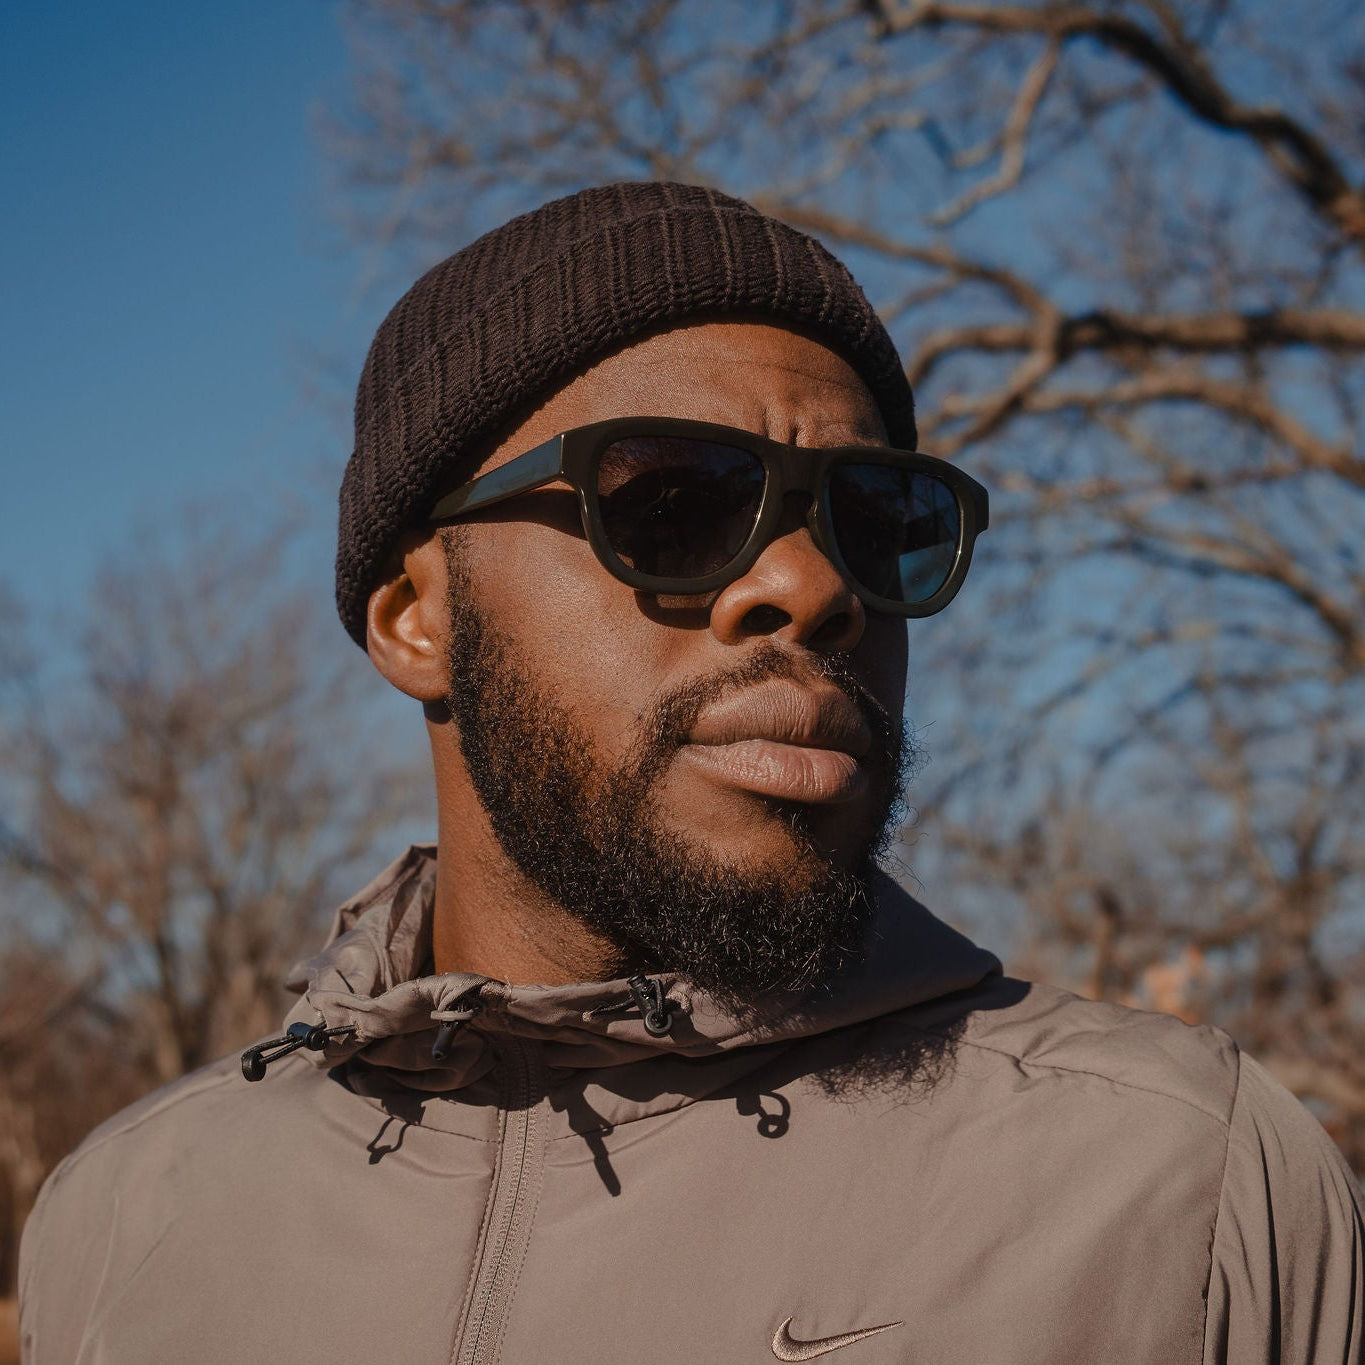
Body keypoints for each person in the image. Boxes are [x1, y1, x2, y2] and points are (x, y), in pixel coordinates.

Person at [19, 183, 1363, 1365]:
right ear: (414, 615)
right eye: (672, 500)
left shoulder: (1185, 1187)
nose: (809, 583)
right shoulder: (128, 1218)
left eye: (877, 519)